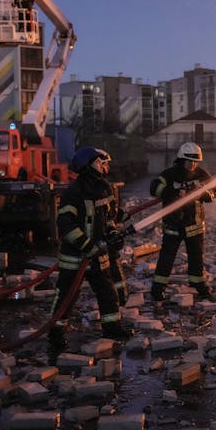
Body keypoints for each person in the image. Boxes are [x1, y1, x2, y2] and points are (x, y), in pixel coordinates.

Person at [48, 146, 131, 363]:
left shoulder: (104, 188)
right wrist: (86, 245)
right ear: (90, 164)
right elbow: (66, 224)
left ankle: (112, 328)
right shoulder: (73, 193)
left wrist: (113, 235)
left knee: (107, 292)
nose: (106, 167)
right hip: (75, 259)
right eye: (102, 163)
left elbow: (109, 218)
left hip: (98, 255)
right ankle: (55, 333)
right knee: (66, 297)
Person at [149, 142, 216, 307]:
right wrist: (173, 192)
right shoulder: (169, 174)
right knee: (166, 258)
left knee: (196, 257)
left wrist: (204, 194)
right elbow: (154, 188)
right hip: (173, 224)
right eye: (188, 161)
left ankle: (198, 284)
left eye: (195, 162)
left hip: (194, 224)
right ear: (180, 159)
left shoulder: (202, 175)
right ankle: (158, 289)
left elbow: (214, 193)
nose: (192, 164)